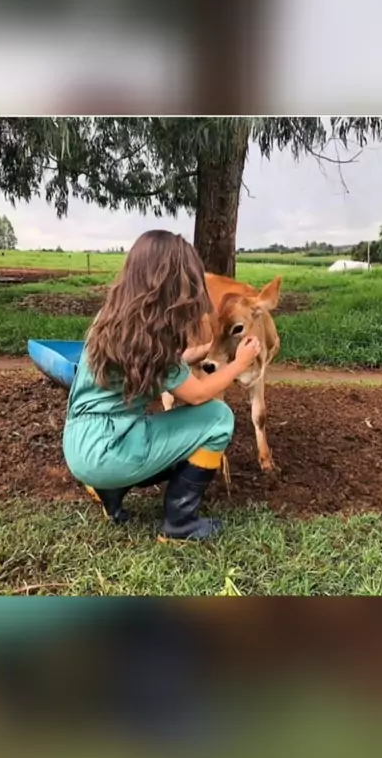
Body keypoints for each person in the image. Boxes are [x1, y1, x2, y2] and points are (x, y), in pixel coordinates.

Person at [63, 230, 261, 541]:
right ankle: (180, 523)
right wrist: (240, 362)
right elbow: (198, 394)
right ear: (173, 285)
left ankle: (108, 490)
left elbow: (159, 366)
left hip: (79, 447)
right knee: (217, 418)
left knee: (148, 427)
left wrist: (200, 352)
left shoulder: (112, 320)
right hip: (111, 452)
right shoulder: (156, 341)